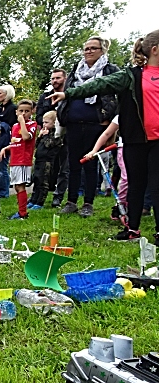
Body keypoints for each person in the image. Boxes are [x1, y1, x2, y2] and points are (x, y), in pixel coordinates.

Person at [50, 30, 159, 242]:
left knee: (157, 186)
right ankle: (132, 229)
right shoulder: (131, 75)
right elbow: (99, 84)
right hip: (136, 140)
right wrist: (67, 93)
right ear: (154, 50)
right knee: (136, 185)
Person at [56, 36, 119, 218]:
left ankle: (88, 203)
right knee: (73, 164)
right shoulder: (76, 70)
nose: (89, 51)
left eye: (93, 48)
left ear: (102, 50)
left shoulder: (110, 70)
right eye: (86, 48)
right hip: (74, 124)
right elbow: (67, 94)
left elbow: (116, 98)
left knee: (91, 165)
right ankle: (71, 201)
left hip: (95, 124)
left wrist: (109, 118)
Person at [0, 99, 37, 219]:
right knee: (16, 186)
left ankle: (23, 213)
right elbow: (16, 142)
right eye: (21, 111)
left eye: (27, 111)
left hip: (23, 160)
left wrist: (22, 123)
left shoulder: (32, 125)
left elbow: (26, 137)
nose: (23, 113)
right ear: (16, 112)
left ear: (31, 112)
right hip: (14, 159)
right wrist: (6, 148)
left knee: (21, 185)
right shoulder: (14, 126)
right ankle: (21, 210)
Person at [36, 69, 69, 207]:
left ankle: (58, 196)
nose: (55, 81)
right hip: (49, 137)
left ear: (65, 79)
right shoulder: (45, 97)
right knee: (47, 168)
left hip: (66, 137)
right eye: (53, 78)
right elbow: (39, 116)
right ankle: (41, 196)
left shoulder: (70, 95)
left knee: (64, 168)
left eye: (58, 78)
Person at [29, 111, 64, 209]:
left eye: (46, 122)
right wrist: (40, 136)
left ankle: (40, 202)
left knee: (43, 182)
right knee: (36, 179)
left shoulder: (56, 134)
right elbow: (36, 145)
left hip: (47, 161)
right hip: (39, 159)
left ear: (54, 123)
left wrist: (45, 135)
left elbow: (49, 145)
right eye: (43, 122)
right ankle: (33, 199)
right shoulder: (44, 132)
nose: (44, 124)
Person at [0, 84, 17, 198]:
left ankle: (4, 192)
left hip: (6, 140)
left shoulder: (13, 108)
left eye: (0, 93)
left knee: (2, 166)